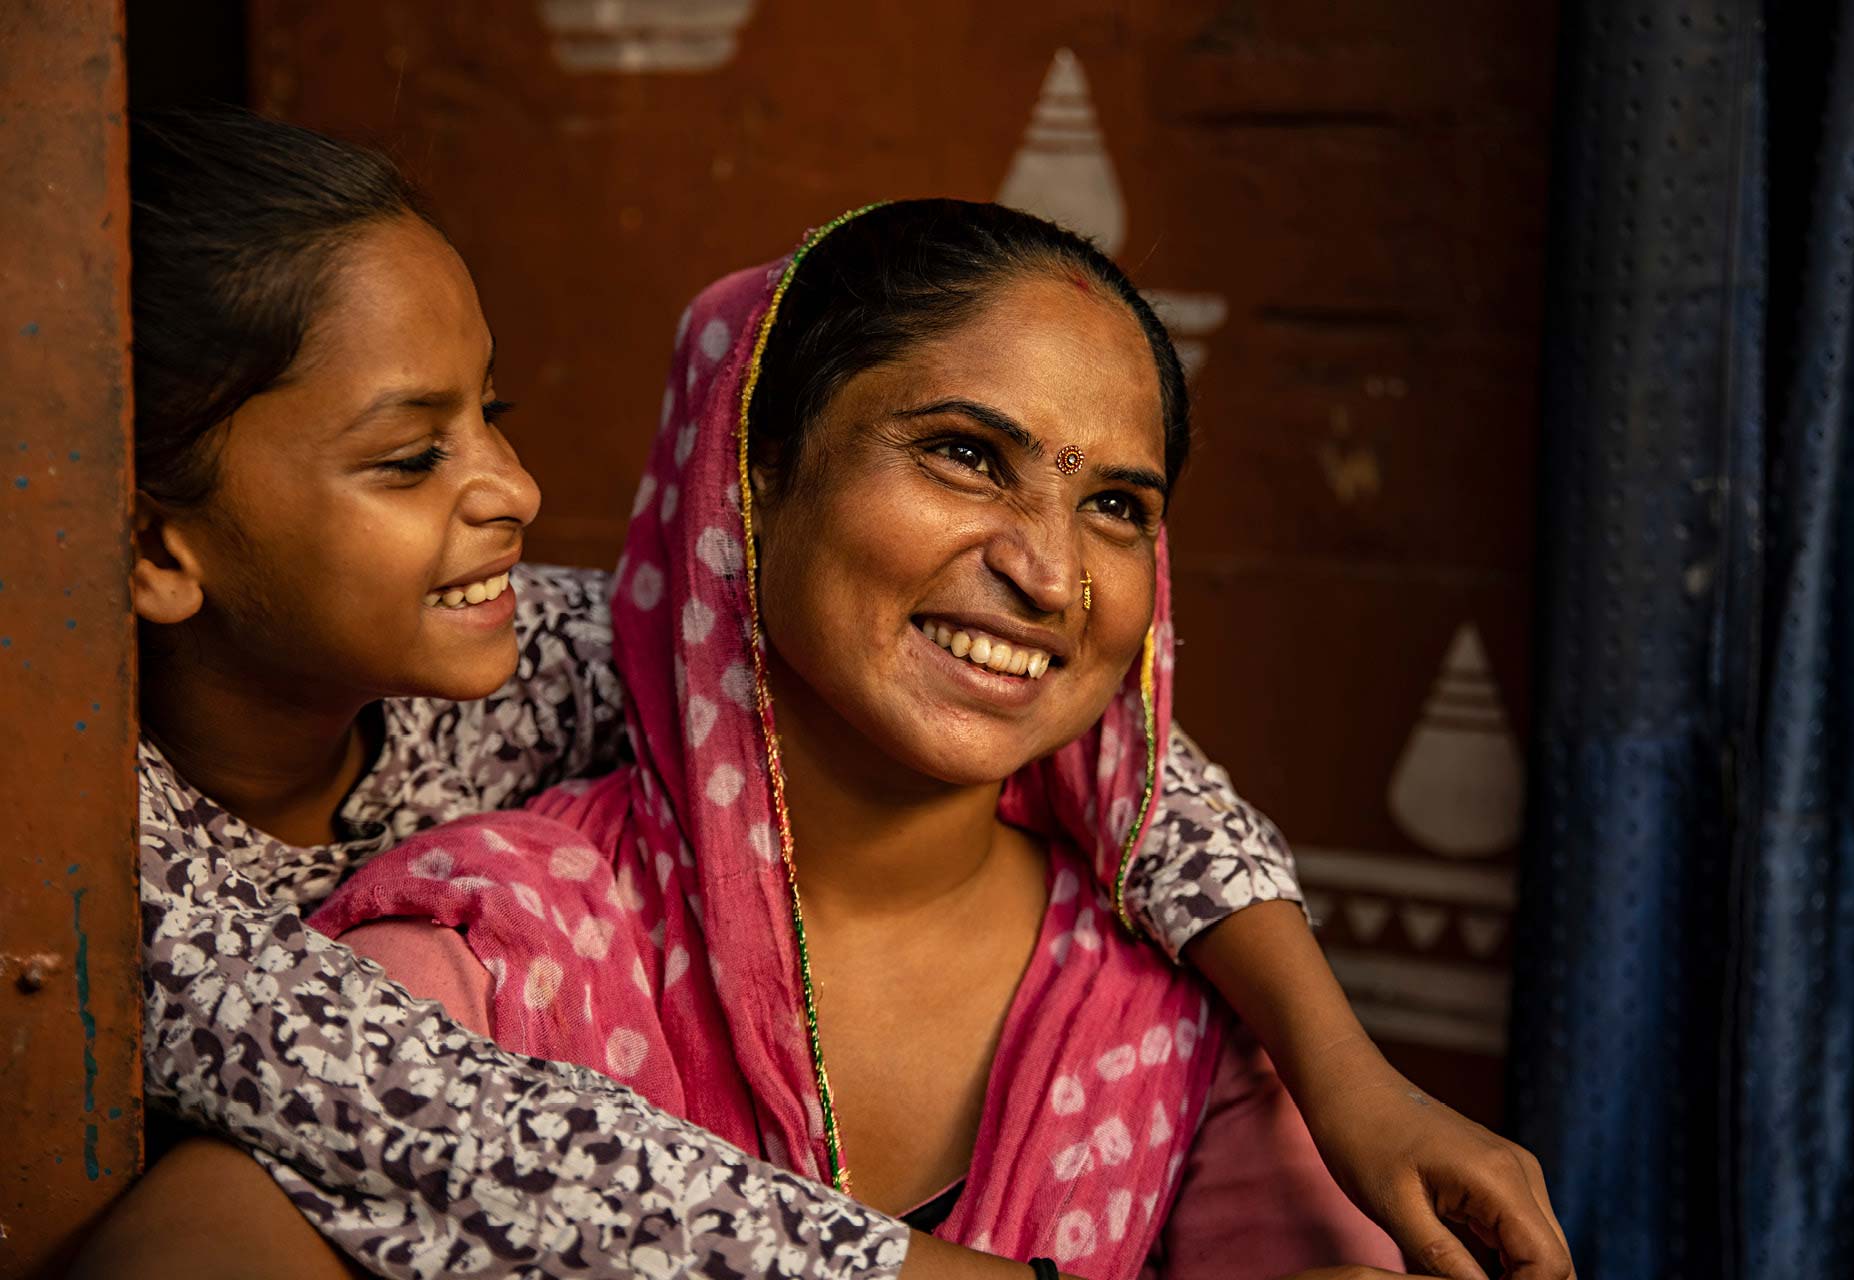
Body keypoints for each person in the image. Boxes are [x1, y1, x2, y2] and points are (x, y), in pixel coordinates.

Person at [90, 109, 1568, 1280]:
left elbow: (1141, 783)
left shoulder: (554, 654)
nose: (1051, 575)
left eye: (1119, 502)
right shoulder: (138, 893)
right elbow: (457, 1134)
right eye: (964, 453)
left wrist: (1347, 1073)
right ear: (750, 486)